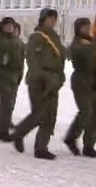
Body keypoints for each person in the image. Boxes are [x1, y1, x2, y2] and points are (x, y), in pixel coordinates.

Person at [10, 8, 66, 160]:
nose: (53, 21)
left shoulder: (55, 38)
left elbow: (61, 59)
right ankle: (19, 134)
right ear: (43, 19)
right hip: (39, 81)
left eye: (55, 18)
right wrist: (43, 78)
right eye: (50, 18)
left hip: (53, 81)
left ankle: (41, 147)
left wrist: (59, 78)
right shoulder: (37, 37)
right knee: (39, 114)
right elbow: (33, 61)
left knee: (50, 116)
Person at [64, 18, 96, 158]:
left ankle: (89, 145)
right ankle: (71, 137)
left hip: (95, 82)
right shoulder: (77, 43)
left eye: (88, 27)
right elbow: (81, 54)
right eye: (84, 27)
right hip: (81, 81)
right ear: (78, 29)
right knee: (86, 112)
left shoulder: (92, 42)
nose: (87, 29)